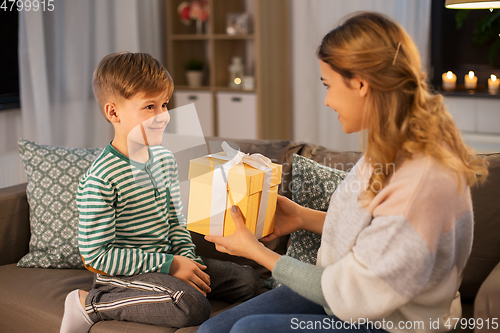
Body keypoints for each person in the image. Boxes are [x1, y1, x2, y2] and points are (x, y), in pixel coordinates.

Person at [198, 12, 488, 333]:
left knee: (247, 331)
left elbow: (357, 294)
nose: (326, 100)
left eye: (328, 85)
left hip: (395, 322)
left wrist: (256, 252)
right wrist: (301, 217)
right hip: (348, 299)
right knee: (213, 330)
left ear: (361, 84)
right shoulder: (389, 149)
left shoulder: (422, 182)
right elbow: (373, 242)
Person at [59, 52, 260, 333]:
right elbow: (96, 256)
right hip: (121, 277)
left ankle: (171, 287)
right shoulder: (101, 178)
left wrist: (188, 260)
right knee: (191, 306)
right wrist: (170, 265)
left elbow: (174, 221)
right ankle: (90, 303)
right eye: (150, 107)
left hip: (166, 263)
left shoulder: (164, 159)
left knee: (248, 280)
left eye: (164, 104)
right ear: (113, 112)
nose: (163, 116)